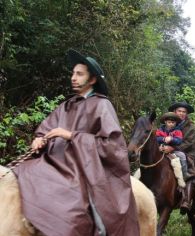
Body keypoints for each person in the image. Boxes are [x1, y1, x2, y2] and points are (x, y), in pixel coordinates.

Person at [13, 49, 139, 236]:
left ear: (92, 80)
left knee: (72, 204)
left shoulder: (102, 105)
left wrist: (71, 135)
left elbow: (112, 146)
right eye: (73, 73)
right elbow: (45, 129)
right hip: (54, 160)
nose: (73, 77)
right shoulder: (66, 105)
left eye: (79, 74)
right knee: (22, 171)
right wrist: (39, 139)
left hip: (83, 166)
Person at [161, 101, 195, 214]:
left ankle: (186, 200)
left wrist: (172, 148)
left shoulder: (191, 126)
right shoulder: (169, 122)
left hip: (187, 153)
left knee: (190, 173)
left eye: (184, 112)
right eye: (179, 111)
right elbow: (161, 135)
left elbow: (188, 143)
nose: (182, 113)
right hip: (166, 151)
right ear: (174, 112)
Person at [156, 112, 188, 178]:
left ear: (176, 123)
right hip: (161, 149)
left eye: (173, 122)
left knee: (182, 156)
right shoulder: (160, 130)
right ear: (165, 122)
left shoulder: (177, 131)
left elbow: (179, 140)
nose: (171, 124)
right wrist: (163, 139)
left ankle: (184, 175)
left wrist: (172, 139)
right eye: (169, 122)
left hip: (173, 150)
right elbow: (156, 138)